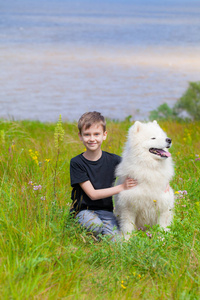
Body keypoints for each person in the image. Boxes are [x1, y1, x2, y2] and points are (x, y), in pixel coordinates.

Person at [70, 111, 137, 240]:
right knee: (94, 225)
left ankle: (99, 237)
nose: (92, 139)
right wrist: (122, 187)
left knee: (118, 242)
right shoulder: (76, 163)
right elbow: (92, 194)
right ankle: (82, 231)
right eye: (87, 134)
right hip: (84, 211)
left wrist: (163, 183)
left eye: (96, 134)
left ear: (104, 135)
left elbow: (137, 167)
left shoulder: (114, 160)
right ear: (80, 136)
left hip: (106, 213)